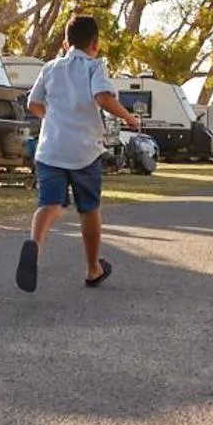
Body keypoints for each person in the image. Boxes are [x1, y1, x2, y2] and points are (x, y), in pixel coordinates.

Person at [16, 15, 142, 292]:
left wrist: (53, 118)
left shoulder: (50, 67)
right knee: (89, 209)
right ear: (95, 44)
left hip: (50, 149)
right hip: (84, 151)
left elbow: (33, 103)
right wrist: (129, 118)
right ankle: (93, 268)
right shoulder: (95, 66)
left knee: (50, 204)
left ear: (65, 43)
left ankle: (34, 247)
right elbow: (102, 97)